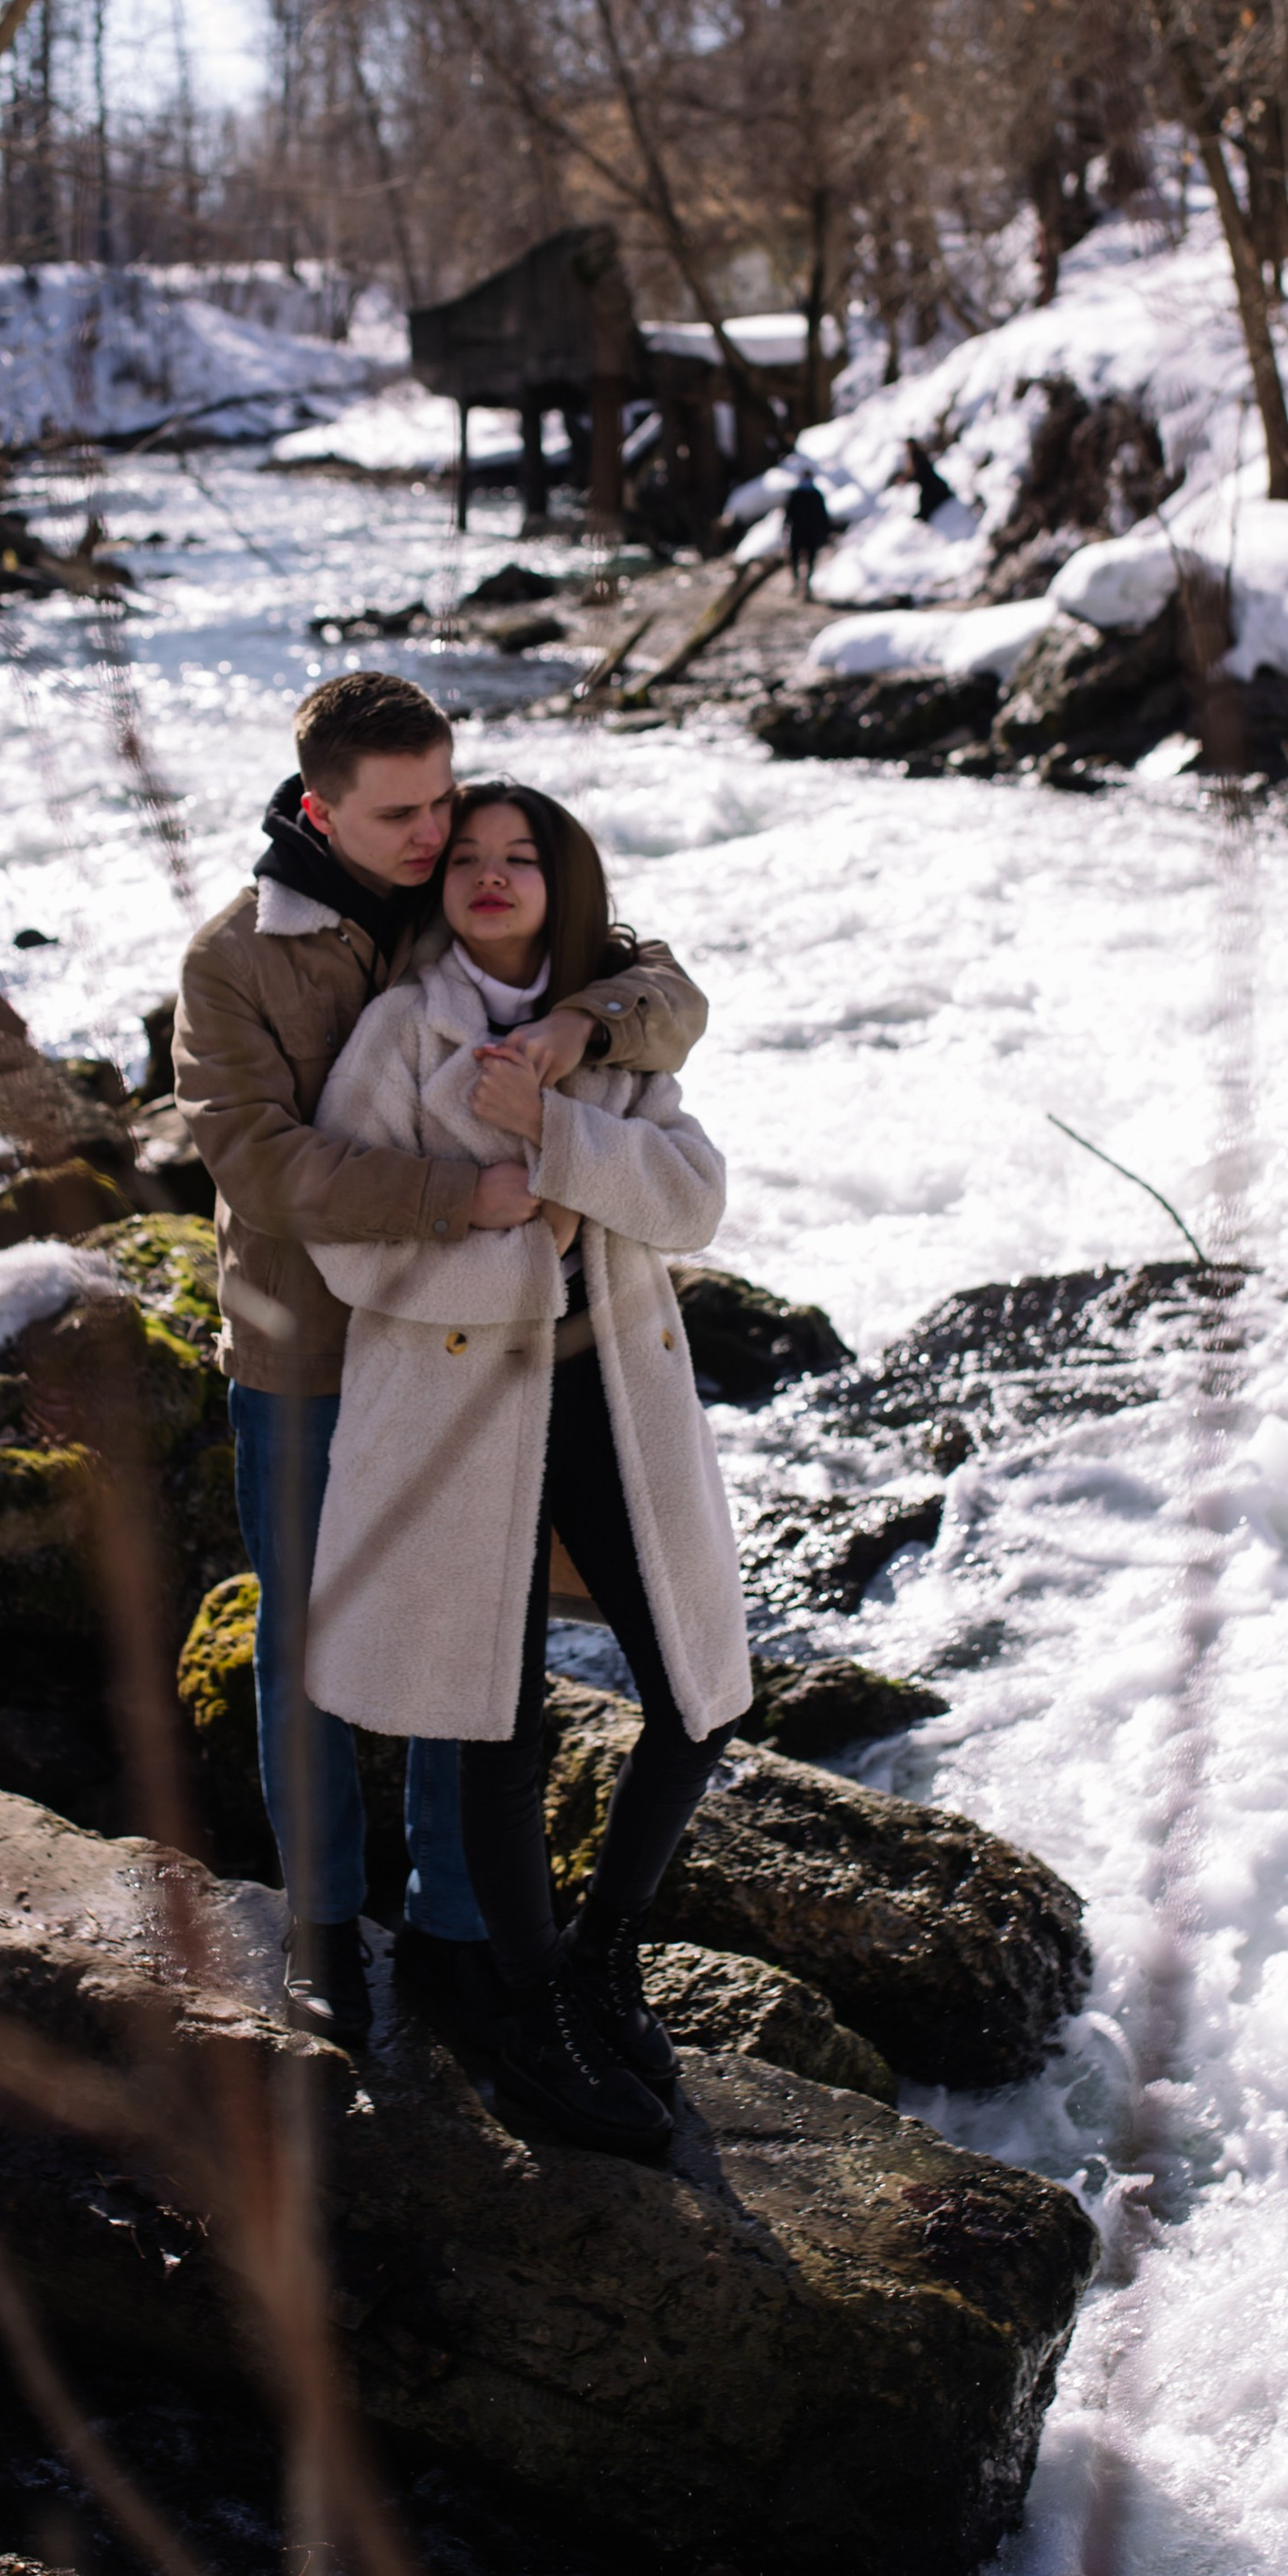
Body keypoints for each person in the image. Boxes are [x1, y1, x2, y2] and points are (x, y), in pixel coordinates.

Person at [172, 671, 708, 2055]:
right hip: (311, 1352)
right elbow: (256, 1161)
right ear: (317, 807)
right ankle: (323, 1934)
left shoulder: (463, 873)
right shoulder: (232, 961)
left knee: (472, 1645)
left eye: (443, 797)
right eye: (401, 813)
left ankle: (461, 1936)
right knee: (309, 1646)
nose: (435, 832)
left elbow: (671, 991)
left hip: (473, 1350)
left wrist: (584, 1022)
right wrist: (453, 1202)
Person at [300, 781, 749, 2163]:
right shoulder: (397, 1034)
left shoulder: (607, 1028)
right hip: (457, 1409)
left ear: (564, 882)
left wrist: (562, 1139)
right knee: (490, 1719)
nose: (493, 877)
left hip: (613, 1397)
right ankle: (531, 1997)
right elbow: (346, 1239)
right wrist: (512, 1233)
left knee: (699, 1694)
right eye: (471, 858)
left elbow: (694, 1197)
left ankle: (605, 1950)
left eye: (522, 859)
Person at [782, 468, 833, 594]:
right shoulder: (798, 494)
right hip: (802, 531)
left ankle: (805, 585)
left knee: (807, 559)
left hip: (807, 532)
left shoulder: (813, 495)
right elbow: (788, 514)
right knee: (796, 558)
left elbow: (822, 516)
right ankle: (797, 583)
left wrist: (824, 532)